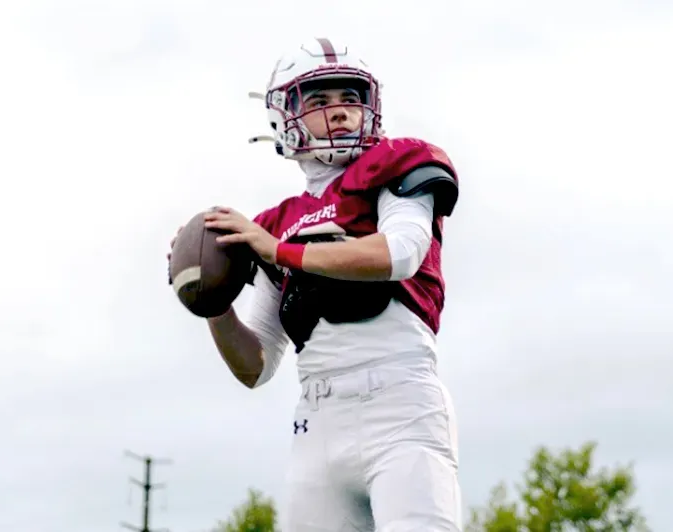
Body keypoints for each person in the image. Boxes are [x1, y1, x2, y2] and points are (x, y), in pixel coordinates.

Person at [170, 37, 462, 531]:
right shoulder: (277, 222)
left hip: (400, 403)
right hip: (317, 420)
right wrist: (213, 303)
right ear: (286, 116)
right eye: (320, 101)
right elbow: (255, 366)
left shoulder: (396, 164)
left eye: (350, 97)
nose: (340, 112)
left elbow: (400, 253)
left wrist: (279, 251)